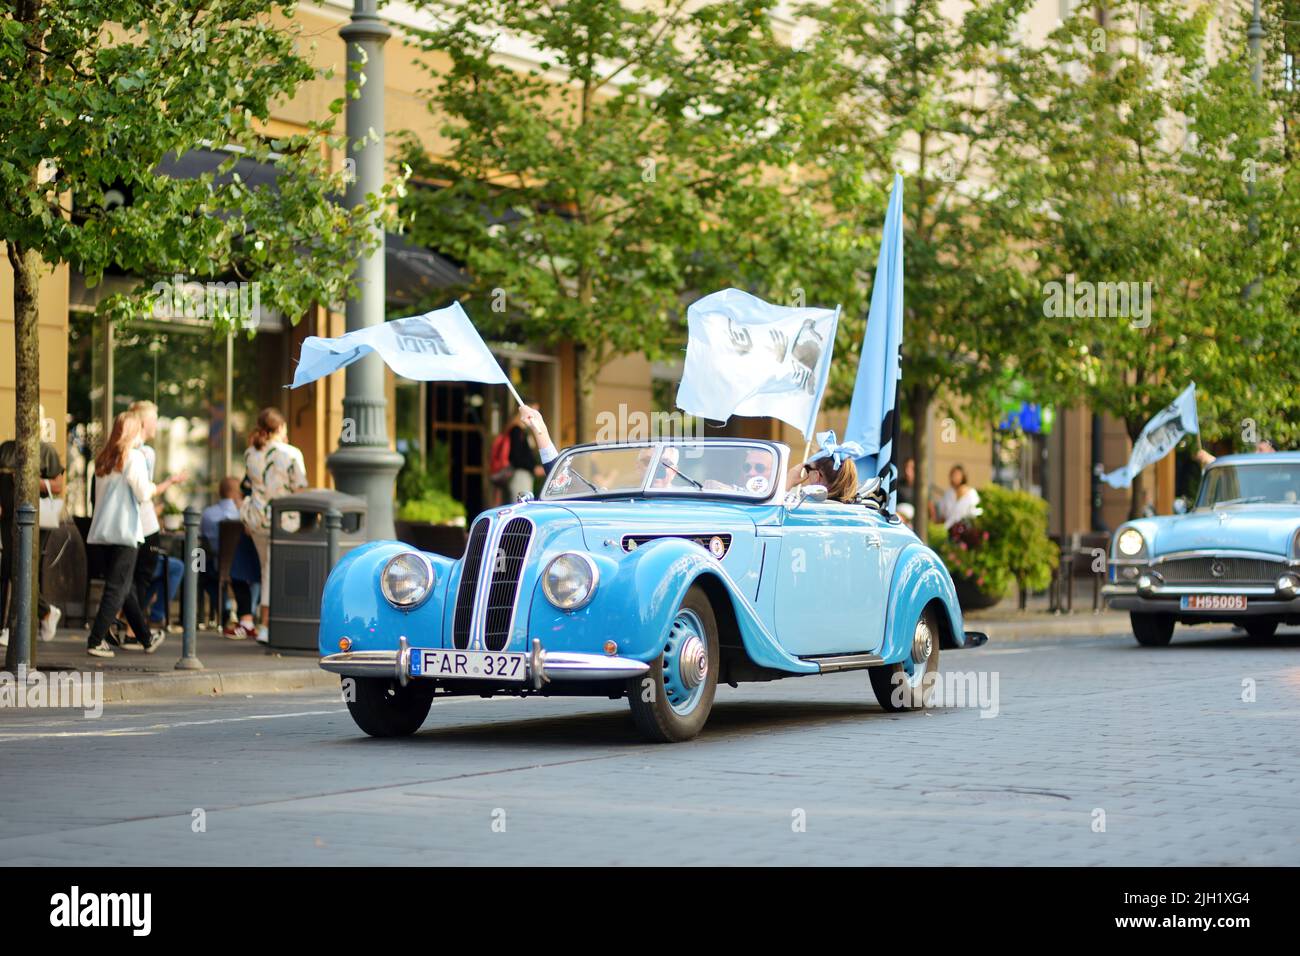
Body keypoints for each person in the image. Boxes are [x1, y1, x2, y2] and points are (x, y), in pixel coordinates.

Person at [84, 413, 165, 657]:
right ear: (134, 430)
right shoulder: (134, 457)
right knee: (117, 588)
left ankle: (146, 638)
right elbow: (142, 493)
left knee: (125, 587)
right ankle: (95, 639)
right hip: (125, 531)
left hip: (102, 532)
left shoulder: (103, 460)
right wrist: (153, 487)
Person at [239, 408, 307, 643]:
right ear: (280, 428)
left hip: (257, 519)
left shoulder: (250, 453)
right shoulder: (291, 454)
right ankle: (267, 625)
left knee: (266, 570)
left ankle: (265, 622)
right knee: (273, 573)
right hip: (283, 520)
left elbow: (248, 484)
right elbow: (299, 489)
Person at [125, 401, 187, 645]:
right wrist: (171, 482)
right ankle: (134, 632)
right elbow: (145, 492)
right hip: (145, 525)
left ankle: (129, 627)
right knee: (141, 579)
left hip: (130, 525)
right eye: (154, 419)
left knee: (130, 580)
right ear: (142, 422)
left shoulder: (122, 450)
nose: (156, 424)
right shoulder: (144, 453)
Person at [0, 427, 67, 646]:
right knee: (9, 568)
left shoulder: (46, 451)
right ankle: (42, 613)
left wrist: (29, 480)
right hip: (7, 518)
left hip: (35, 520)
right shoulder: (6, 449)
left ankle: (17, 626)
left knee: (21, 567)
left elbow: (58, 486)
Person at [202, 477, 257, 639]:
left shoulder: (207, 514)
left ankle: (226, 611)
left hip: (218, 564)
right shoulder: (245, 513)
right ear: (236, 492)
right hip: (248, 567)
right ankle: (249, 616)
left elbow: (200, 539)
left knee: (199, 569)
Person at [504, 402, 547, 501]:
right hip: (520, 474)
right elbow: (516, 457)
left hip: (525, 474)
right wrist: (533, 468)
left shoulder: (523, 431)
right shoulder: (516, 431)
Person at [935, 464, 980, 530]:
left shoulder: (972, 493)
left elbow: (975, 513)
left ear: (963, 476)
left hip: (966, 531)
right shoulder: (948, 493)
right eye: (953, 475)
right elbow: (943, 515)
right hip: (949, 530)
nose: (954, 477)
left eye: (957, 475)